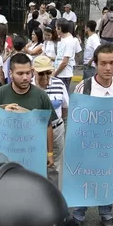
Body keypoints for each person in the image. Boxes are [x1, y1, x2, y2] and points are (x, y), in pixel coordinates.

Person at [71, 44, 113, 226]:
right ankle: (78, 213)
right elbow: (75, 118)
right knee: (85, 177)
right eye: (103, 63)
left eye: (112, 63)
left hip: (111, 145)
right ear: (95, 64)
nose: (108, 68)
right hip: (88, 144)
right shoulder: (84, 87)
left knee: (107, 177)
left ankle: (106, 214)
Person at [0, 51, 56, 165]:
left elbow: (48, 126)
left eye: (28, 73)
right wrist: (2, 112)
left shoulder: (41, 95)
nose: (25, 77)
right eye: (20, 73)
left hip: (32, 154)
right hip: (6, 154)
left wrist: (49, 153)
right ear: (10, 73)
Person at [32, 55, 68, 187]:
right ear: (33, 71)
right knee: (35, 164)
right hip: (34, 130)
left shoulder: (59, 84)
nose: (45, 76)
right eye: (41, 73)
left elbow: (65, 108)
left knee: (56, 164)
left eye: (48, 72)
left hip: (56, 128)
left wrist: (60, 124)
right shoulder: (28, 85)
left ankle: (55, 197)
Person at [53, 19, 80, 91]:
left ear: (60, 28)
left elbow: (65, 62)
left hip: (64, 75)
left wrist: (55, 73)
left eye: (56, 27)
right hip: (59, 73)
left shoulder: (69, 41)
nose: (55, 29)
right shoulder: (63, 38)